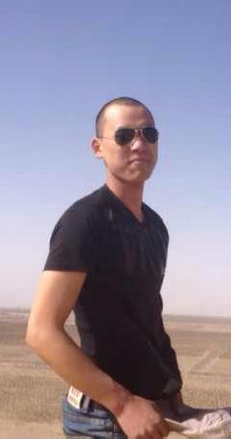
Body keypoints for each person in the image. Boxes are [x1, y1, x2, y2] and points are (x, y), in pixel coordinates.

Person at [26, 97, 186, 438]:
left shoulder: (155, 227)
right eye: (125, 135)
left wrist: (172, 390)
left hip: (147, 411)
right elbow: (41, 331)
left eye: (149, 134)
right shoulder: (84, 222)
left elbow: (147, 316)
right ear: (98, 148)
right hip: (104, 418)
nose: (139, 144)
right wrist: (123, 404)